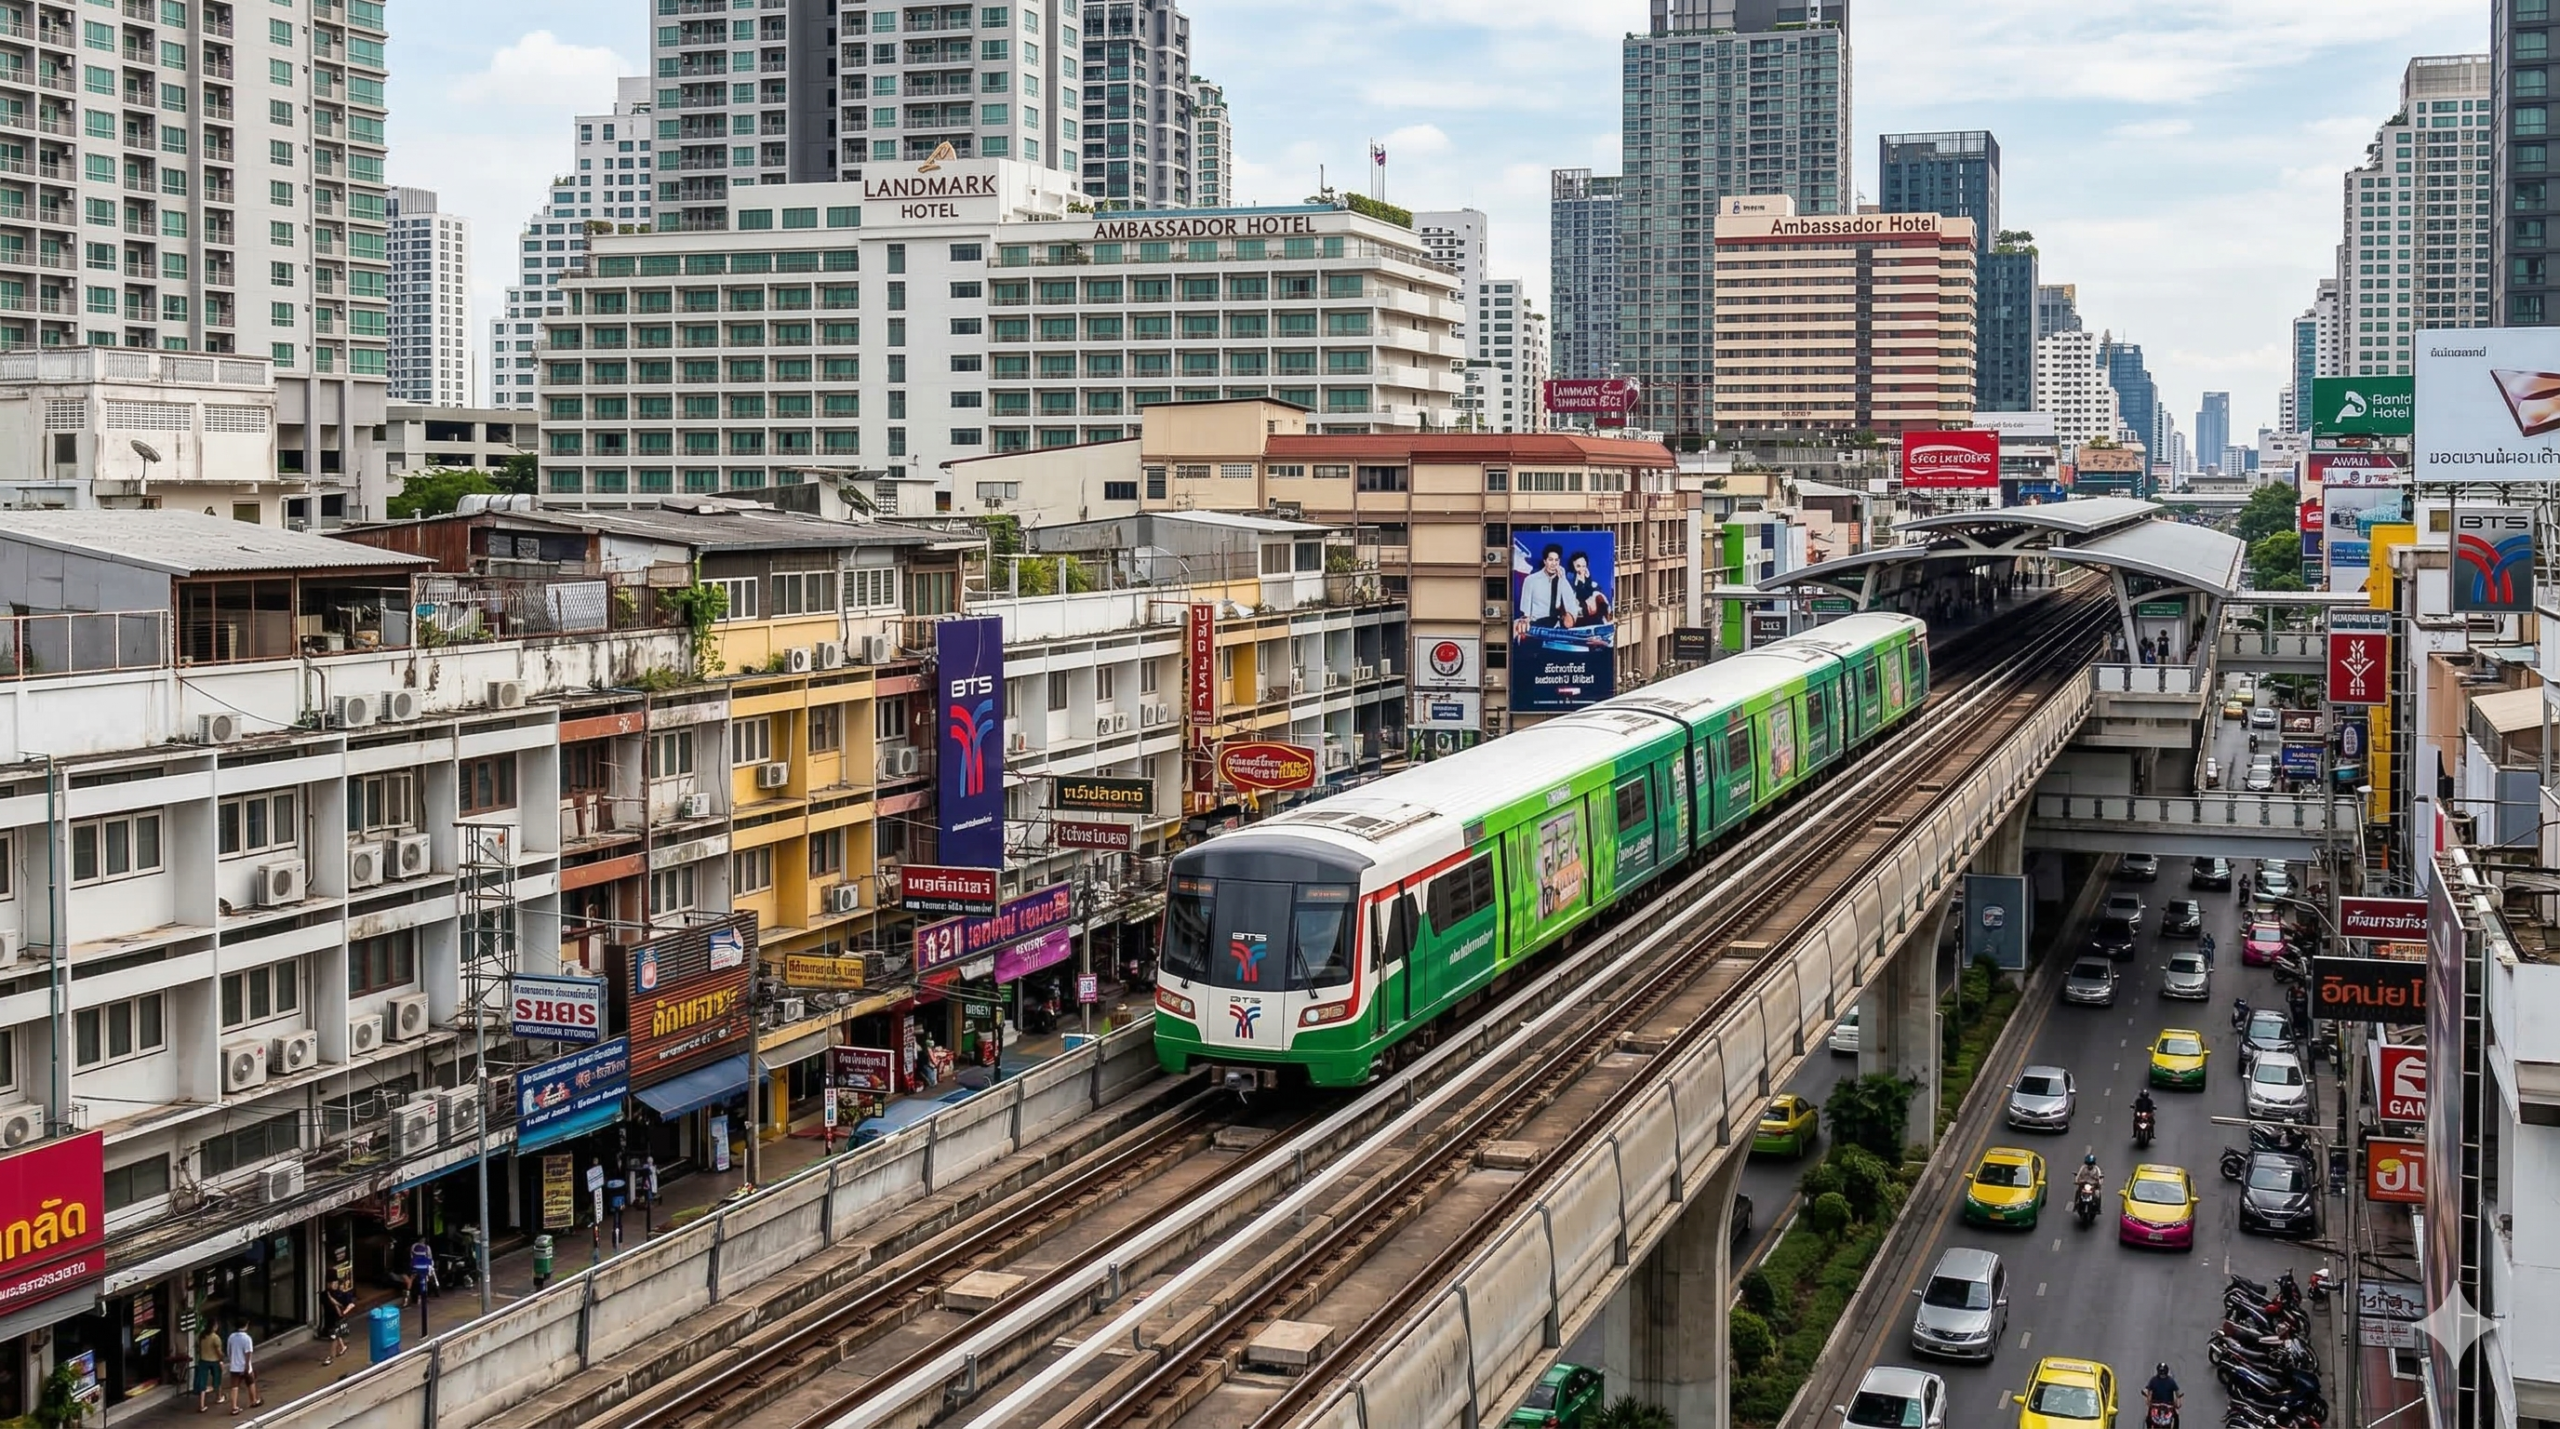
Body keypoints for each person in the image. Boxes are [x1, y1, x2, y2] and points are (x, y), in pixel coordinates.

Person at [1513, 543, 1573, 642]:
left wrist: (1562, 580)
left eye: (1556, 560)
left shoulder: (1563, 581)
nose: (1553, 563)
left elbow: (1569, 605)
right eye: (1550, 560)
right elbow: (1525, 612)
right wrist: (1524, 620)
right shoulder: (1530, 580)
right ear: (1545, 561)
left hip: (1556, 626)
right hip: (1536, 625)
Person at [1567, 550, 1612, 625]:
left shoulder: (1591, 582)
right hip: (1580, 612)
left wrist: (1588, 580)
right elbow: (1580, 595)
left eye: (1583, 566)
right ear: (1573, 567)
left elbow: (1592, 593)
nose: (1581, 569)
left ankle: (1607, 620)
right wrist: (1581, 581)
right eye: (1578, 566)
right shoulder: (1570, 580)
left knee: (1597, 594)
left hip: (1594, 613)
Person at [225, 1322, 260, 1413]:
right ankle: (254, 1401)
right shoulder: (247, 1338)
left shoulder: (231, 1337)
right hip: (244, 1365)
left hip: (234, 1366)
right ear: (246, 1325)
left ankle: (234, 1407)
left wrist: (232, 1360)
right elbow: (248, 1353)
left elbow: (229, 1351)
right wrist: (247, 1366)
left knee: (234, 1387)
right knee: (251, 1382)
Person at [322, 1279, 356, 1366]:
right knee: (337, 1334)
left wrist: (344, 1312)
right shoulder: (334, 1293)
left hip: (338, 1318)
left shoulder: (344, 1295)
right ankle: (343, 1347)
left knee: (334, 1336)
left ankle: (331, 1357)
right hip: (333, 1318)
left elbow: (351, 1304)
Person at [193, 1324, 224, 1411]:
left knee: (202, 1382)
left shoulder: (201, 1336)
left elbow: (197, 1347)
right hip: (214, 1360)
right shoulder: (215, 1338)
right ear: (214, 1327)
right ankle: (219, 1397)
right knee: (217, 1379)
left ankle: (201, 1405)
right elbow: (219, 1352)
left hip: (203, 1360)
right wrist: (221, 1359)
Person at [2144, 1360, 2183, 1426]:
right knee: (2148, 1418)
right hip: (2155, 1405)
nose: (2162, 1374)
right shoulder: (2154, 1380)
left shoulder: (2170, 1381)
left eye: (2163, 1372)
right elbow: (2147, 1389)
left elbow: (2177, 1393)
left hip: (2168, 1406)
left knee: (2176, 1417)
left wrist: (2178, 1400)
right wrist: (2147, 1396)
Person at [407, 1233, 436, 1305]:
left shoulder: (414, 1246)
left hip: (415, 1267)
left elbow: (411, 1256)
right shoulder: (427, 1247)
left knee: (415, 1282)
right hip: (424, 1267)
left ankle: (417, 1297)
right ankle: (422, 1297)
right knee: (425, 1282)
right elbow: (430, 1257)